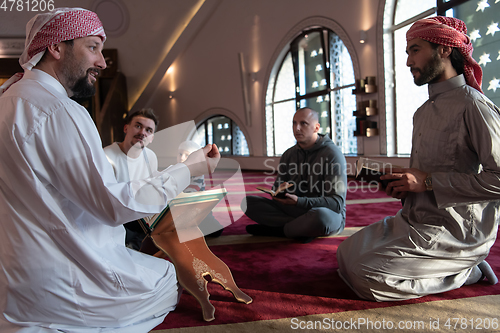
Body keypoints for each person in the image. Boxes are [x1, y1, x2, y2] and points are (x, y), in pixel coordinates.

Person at [0, 8, 219, 332]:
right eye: (93, 47)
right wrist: (189, 169)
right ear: (56, 48)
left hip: (13, 277)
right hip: (59, 278)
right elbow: (111, 204)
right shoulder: (59, 110)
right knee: (165, 280)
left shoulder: (9, 98)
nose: (103, 62)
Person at [337, 16, 500, 302]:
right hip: (413, 219)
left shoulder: (474, 106)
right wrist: (403, 184)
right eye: (407, 52)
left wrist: (427, 181)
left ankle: (467, 270)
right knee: (344, 254)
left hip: (454, 230)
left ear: (445, 50)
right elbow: (422, 178)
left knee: (367, 277)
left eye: (415, 50)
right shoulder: (422, 112)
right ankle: (443, 268)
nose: (409, 61)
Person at [242, 107, 347, 243]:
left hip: (323, 213)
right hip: (295, 209)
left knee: (321, 217)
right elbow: (277, 190)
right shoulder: (288, 154)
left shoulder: (332, 155)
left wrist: (299, 201)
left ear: (316, 127)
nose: (297, 128)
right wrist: (281, 193)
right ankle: (301, 229)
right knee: (246, 202)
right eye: (294, 123)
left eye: (303, 123)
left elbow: (336, 204)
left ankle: (281, 231)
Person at [176, 140, 224, 237]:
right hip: (182, 205)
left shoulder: (198, 173)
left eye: (187, 155)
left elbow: (190, 193)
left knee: (211, 227)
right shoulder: (177, 169)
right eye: (180, 154)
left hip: (197, 206)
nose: (182, 158)